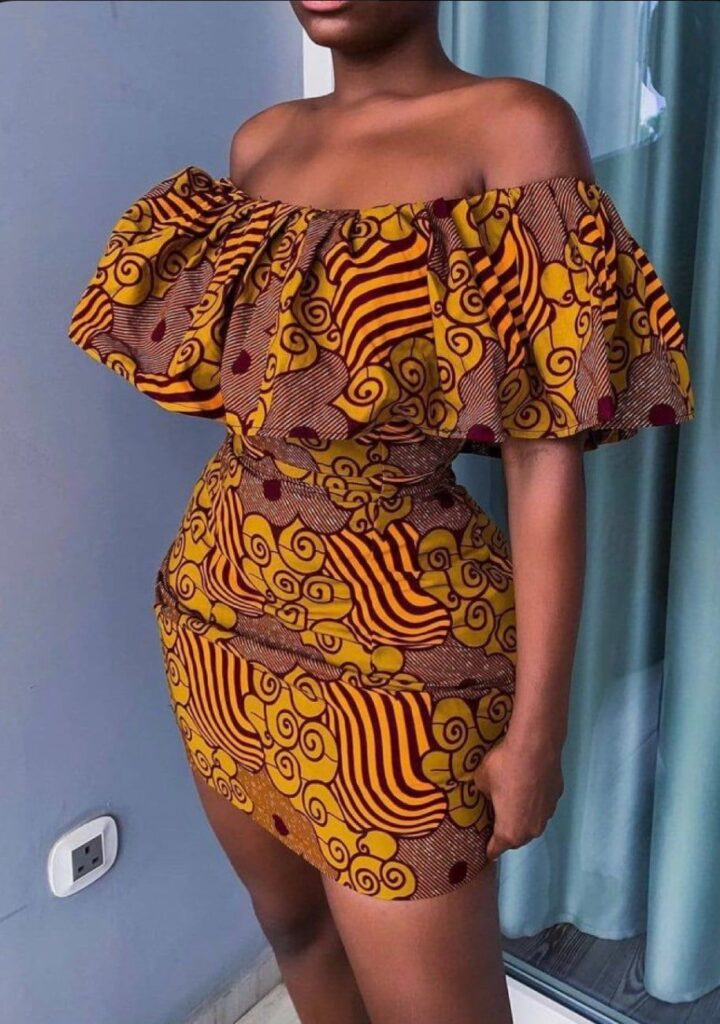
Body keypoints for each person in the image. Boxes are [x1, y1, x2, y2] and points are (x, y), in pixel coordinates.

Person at [66, 1, 695, 1021]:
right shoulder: (262, 142)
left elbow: (545, 461)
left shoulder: (515, 127)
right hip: (213, 615)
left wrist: (537, 733)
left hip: (400, 656)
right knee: (295, 932)